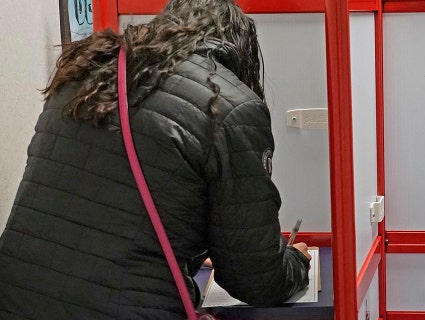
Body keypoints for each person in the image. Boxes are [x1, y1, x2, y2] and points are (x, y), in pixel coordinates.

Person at [0, 0, 311, 319]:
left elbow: (102, 211)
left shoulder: (85, 72)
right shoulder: (230, 105)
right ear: (240, 50)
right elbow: (257, 280)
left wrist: (192, 250)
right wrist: (296, 264)